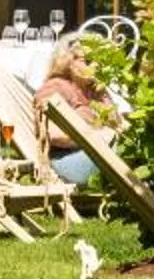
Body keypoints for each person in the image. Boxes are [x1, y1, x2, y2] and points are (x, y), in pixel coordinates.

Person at [34, 43, 117, 189]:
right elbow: (51, 135)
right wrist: (96, 138)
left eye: (100, 61)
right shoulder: (55, 87)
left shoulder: (96, 91)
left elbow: (117, 124)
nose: (96, 65)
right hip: (67, 159)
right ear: (69, 62)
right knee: (123, 148)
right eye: (88, 61)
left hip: (98, 153)